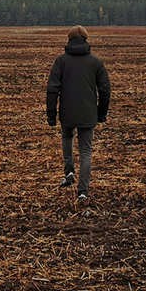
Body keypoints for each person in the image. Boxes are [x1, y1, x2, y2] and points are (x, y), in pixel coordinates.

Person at [46, 25, 110, 201]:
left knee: (67, 138)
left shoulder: (61, 61)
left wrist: (51, 114)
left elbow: (52, 89)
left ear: (69, 39)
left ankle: (69, 172)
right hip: (89, 114)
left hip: (67, 112)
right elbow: (105, 90)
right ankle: (83, 191)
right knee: (86, 151)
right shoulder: (96, 63)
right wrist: (101, 113)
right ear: (86, 39)